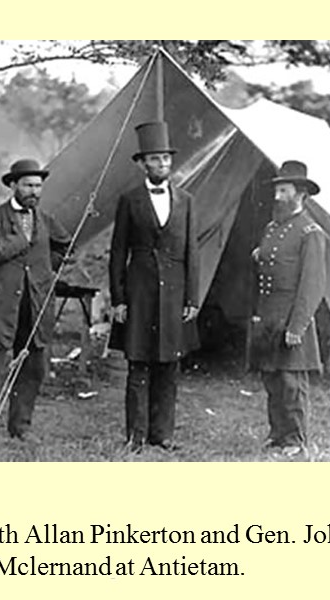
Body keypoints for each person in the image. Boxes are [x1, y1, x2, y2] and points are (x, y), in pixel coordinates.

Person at [0, 159, 71, 450]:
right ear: (13, 185)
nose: (34, 191)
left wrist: (45, 270)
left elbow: (65, 245)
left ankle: (20, 429)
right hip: (0, 310)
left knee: (33, 370)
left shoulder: (46, 220)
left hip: (34, 308)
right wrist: (19, 241)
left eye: (38, 186)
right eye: (27, 185)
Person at [109, 121, 200, 452]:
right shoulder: (129, 201)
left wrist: (193, 297)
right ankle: (135, 436)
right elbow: (118, 252)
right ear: (142, 164)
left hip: (175, 294)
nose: (162, 165)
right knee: (139, 363)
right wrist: (118, 298)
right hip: (140, 292)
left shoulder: (187, 200)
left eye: (166, 159)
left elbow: (193, 251)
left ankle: (162, 434)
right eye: (155, 159)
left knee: (169, 365)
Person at [250, 160, 326, 458]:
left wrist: (298, 326)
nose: (278, 196)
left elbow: (312, 285)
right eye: (277, 190)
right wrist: (260, 254)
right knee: (271, 378)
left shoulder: (311, 232)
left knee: (292, 382)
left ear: (301, 194)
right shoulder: (272, 228)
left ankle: (296, 439)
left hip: (292, 316)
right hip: (268, 315)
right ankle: (278, 434)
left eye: (284, 190)